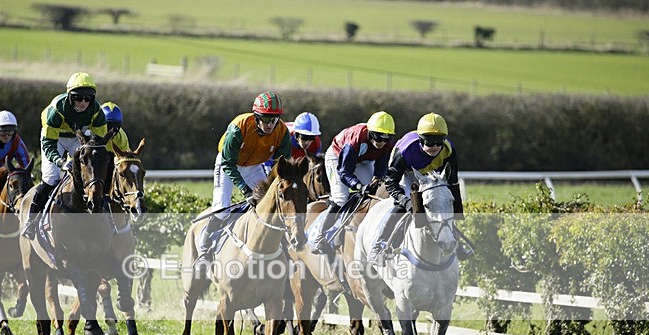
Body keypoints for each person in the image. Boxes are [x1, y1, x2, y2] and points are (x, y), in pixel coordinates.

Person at [195, 91, 291, 265]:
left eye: (275, 119)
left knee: (267, 206)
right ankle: (204, 247)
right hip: (228, 164)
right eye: (266, 119)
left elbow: (282, 164)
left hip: (254, 166)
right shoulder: (239, 127)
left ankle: (282, 249)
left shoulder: (282, 131)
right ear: (256, 116)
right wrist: (245, 190)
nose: (270, 124)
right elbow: (228, 163)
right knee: (222, 209)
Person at [367, 112, 471, 265]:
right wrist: (407, 202)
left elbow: (453, 183)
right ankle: (379, 246)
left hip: (432, 175)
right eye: (429, 142)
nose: (435, 147)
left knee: (443, 201)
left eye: (439, 142)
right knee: (402, 207)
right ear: (421, 140)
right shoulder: (405, 152)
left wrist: (456, 211)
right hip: (408, 174)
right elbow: (391, 184)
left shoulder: (449, 149)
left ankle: (455, 241)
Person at [23, 72, 107, 239]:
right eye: (78, 98)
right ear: (70, 97)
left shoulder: (97, 111)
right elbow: (48, 143)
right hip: (55, 140)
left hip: (78, 137)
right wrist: (60, 162)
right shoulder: (57, 110)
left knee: (90, 177)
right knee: (51, 178)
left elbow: (99, 143)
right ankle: (31, 222)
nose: (83, 102)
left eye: (88, 98)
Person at [309, 111, 395, 256]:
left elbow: (381, 164)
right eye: (377, 137)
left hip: (363, 160)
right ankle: (320, 236)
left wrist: (377, 178)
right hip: (338, 157)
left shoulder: (388, 143)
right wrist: (358, 186)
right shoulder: (355, 139)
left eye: (385, 139)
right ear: (370, 132)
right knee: (340, 198)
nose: (381, 142)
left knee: (372, 195)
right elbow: (344, 172)